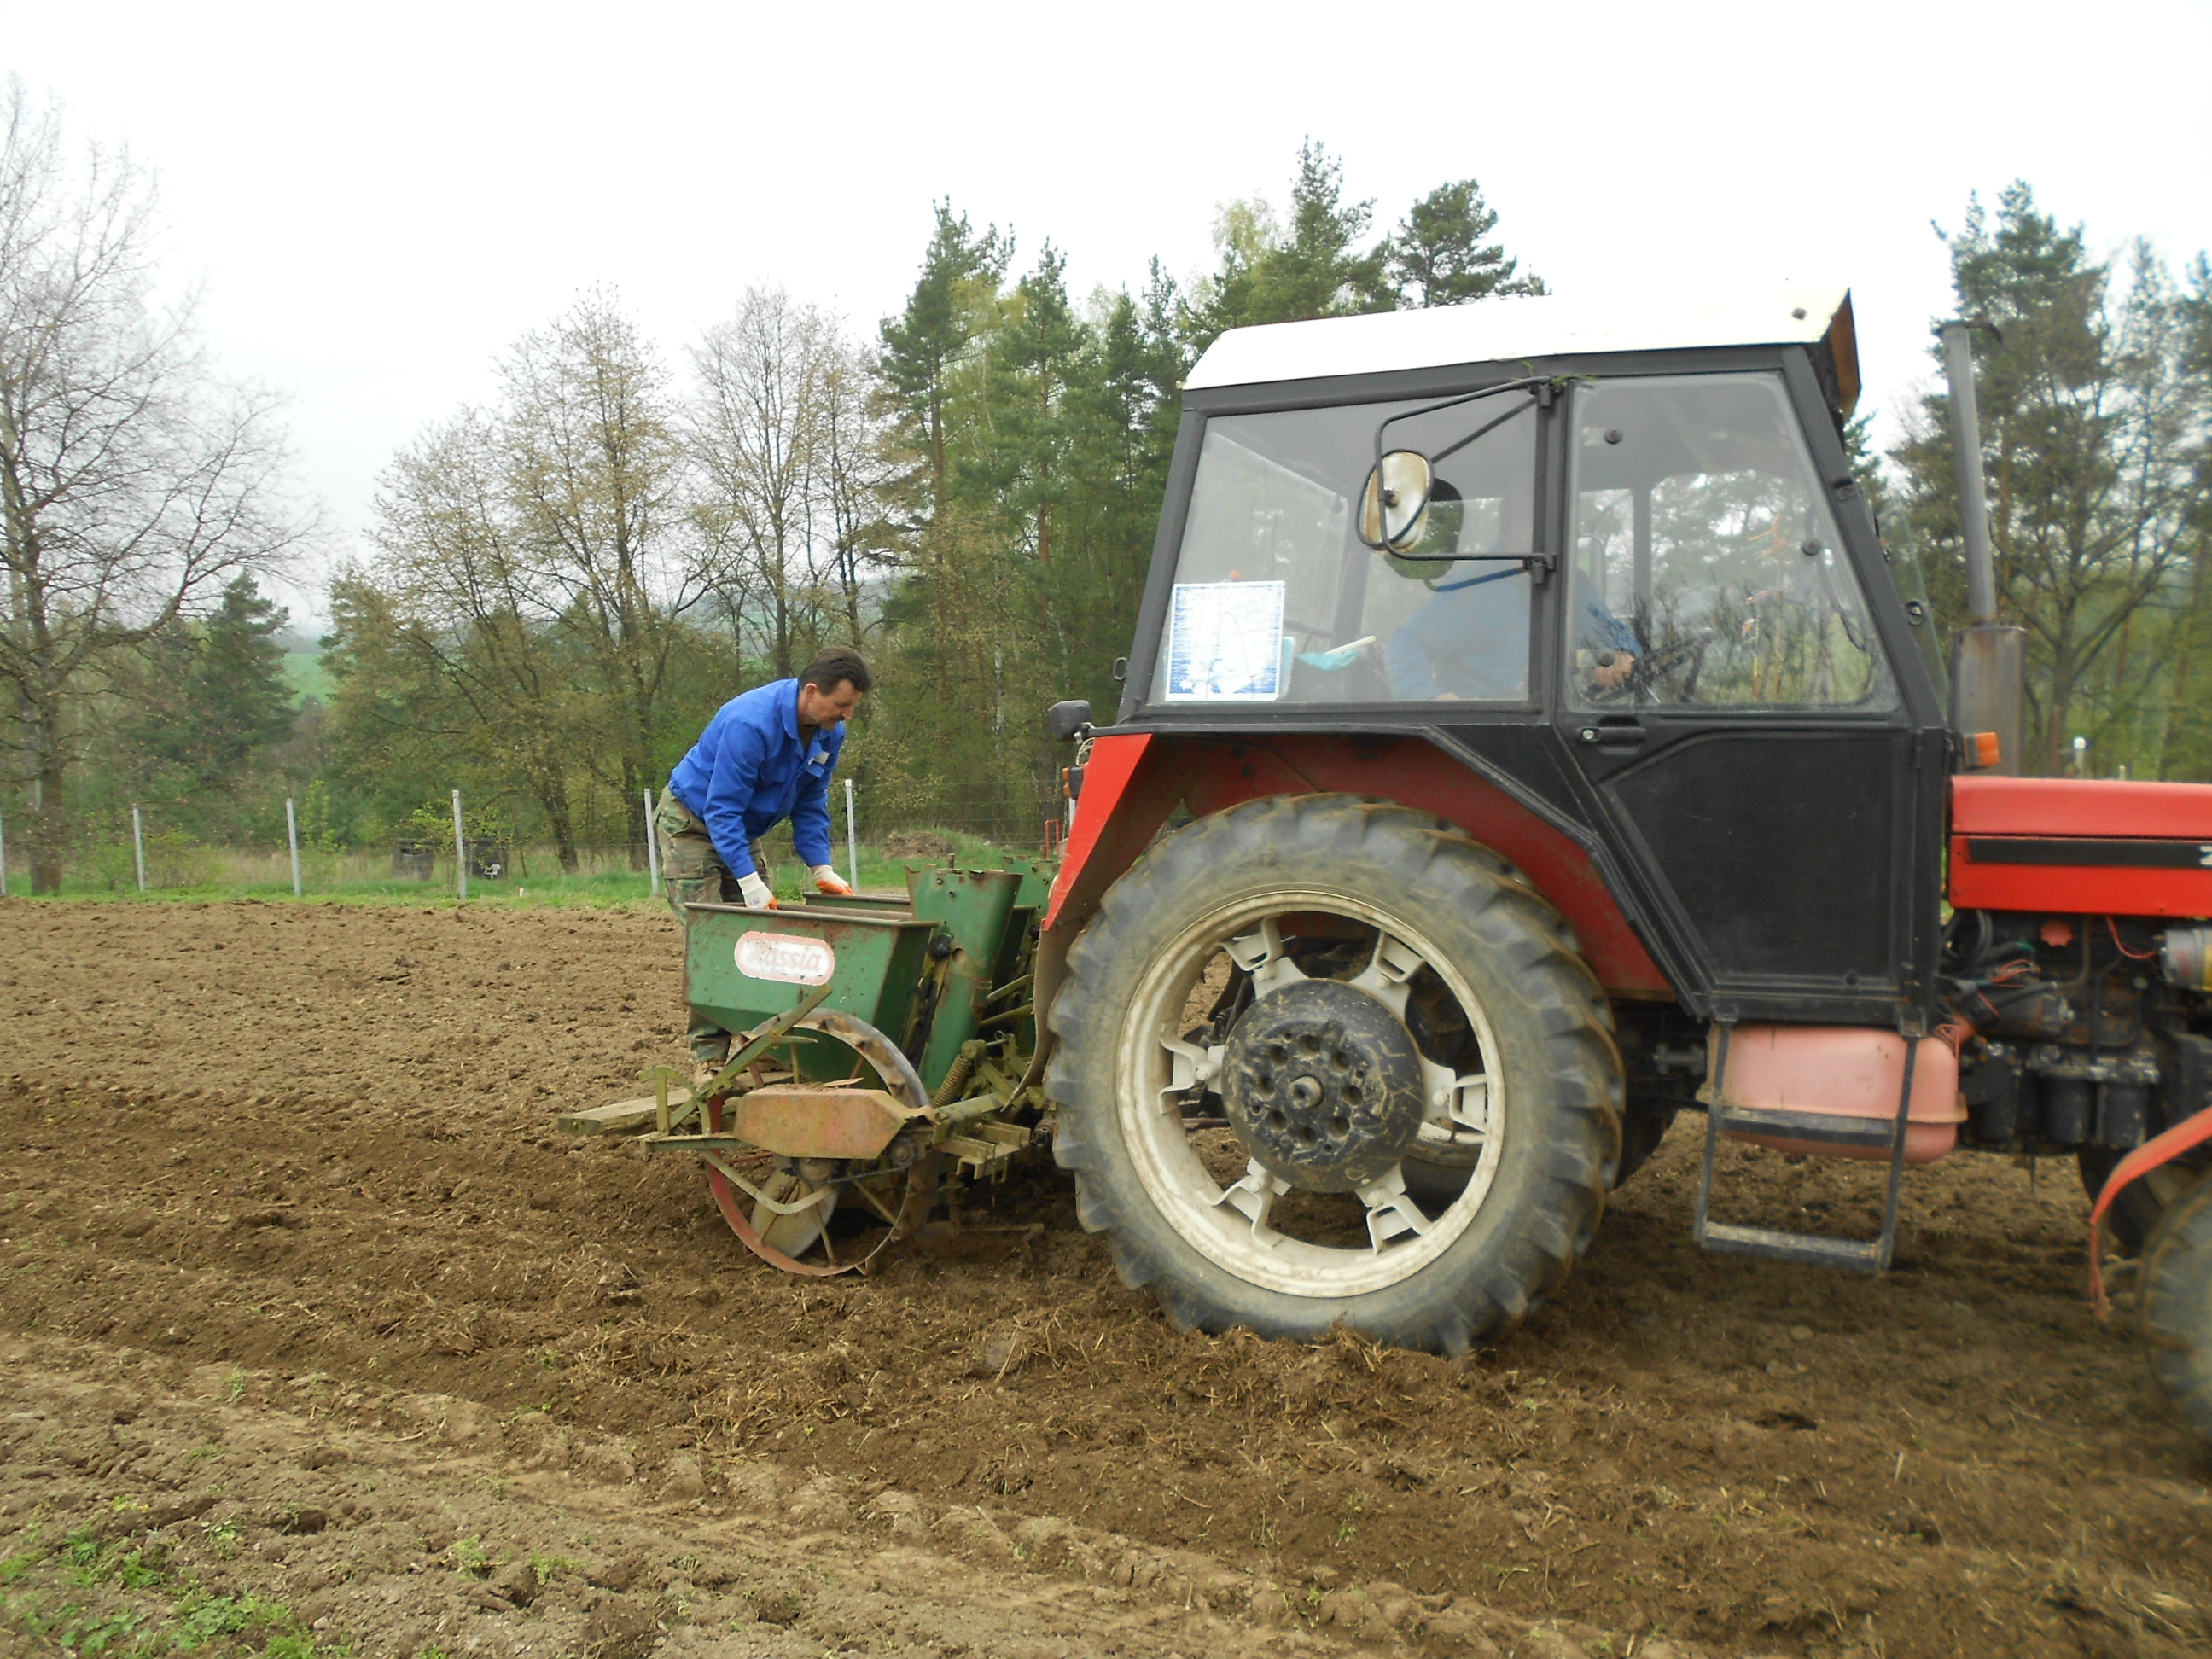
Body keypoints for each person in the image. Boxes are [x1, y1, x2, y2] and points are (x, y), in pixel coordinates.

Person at [657, 644, 871, 1068]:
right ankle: (710, 1061)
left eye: (852, 707)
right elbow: (721, 809)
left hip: (742, 829)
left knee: (764, 942)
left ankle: (762, 1045)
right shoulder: (749, 723)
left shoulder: (831, 733)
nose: (847, 715)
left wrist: (821, 866)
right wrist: (748, 881)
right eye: (842, 705)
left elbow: (811, 802)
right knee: (716, 941)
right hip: (693, 826)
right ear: (812, 692)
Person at [1386, 486, 1637, 700]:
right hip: (1485, 732)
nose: (1569, 538)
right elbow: (1408, 642)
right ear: (1521, 529)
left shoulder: (1573, 583)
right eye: (1560, 527)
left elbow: (1607, 631)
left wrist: (1622, 652)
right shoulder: (1473, 587)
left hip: (1561, 719)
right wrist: (1430, 698)